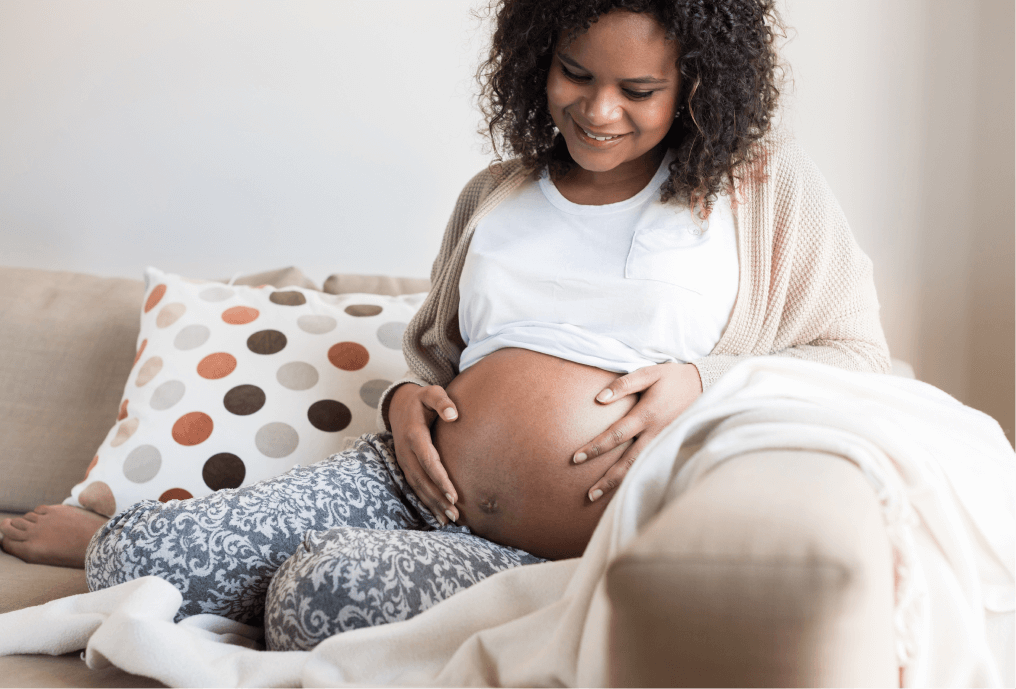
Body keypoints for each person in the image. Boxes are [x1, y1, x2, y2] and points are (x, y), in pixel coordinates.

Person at [3, 0, 890, 652]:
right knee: (127, 550)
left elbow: (860, 361)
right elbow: (442, 360)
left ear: (696, 84)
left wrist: (706, 380)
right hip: (408, 480)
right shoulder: (496, 195)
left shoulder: (759, 192)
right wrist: (402, 401)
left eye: (639, 88)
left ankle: (278, 583)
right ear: (540, 53)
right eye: (576, 73)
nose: (599, 109)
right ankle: (200, 565)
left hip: (568, 550)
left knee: (321, 595)